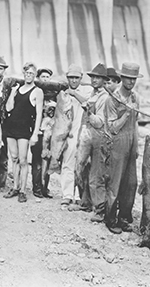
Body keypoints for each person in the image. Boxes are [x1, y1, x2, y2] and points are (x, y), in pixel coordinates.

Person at [104, 62, 142, 234]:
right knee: (116, 182)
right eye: (128, 78)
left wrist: (137, 145)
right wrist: (126, 112)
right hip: (118, 143)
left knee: (131, 183)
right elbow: (112, 128)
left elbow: (136, 123)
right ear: (122, 78)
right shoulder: (113, 99)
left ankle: (124, 218)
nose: (131, 82)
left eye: (134, 79)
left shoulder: (136, 97)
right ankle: (110, 219)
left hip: (132, 142)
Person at [3, 62, 44, 203]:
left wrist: (35, 134)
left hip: (24, 129)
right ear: (23, 74)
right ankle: (15, 187)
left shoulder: (37, 92)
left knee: (23, 160)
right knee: (13, 158)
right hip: (11, 127)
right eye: (27, 73)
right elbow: (8, 108)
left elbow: (39, 114)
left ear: (35, 75)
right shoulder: (18, 89)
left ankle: (22, 190)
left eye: (31, 73)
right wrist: (13, 92)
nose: (29, 75)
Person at [75, 63, 110, 220]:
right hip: (87, 135)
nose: (95, 80)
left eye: (98, 78)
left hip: (99, 138)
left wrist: (88, 112)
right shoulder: (93, 94)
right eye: (93, 77)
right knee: (82, 169)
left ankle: (100, 210)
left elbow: (100, 122)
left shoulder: (104, 97)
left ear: (104, 80)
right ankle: (85, 202)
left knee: (96, 174)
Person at [0, 56, 24, 195]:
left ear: (4, 70)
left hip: (4, 122)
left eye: (1, 68)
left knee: (2, 153)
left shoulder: (7, 86)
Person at [59, 64, 93, 209]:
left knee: (83, 165)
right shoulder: (63, 93)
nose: (73, 81)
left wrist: (75, 94)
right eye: (71, 78)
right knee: (67, 164)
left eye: (76, 78)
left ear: (81, 78)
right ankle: (67, 195)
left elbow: (88, 104)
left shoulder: (88, 90)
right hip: (68, 134)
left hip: (83, 134)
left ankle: (80, 195)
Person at [30, 68, 54, 198]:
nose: (45, 79)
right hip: (37, 132)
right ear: (38, 78)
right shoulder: (35, 93)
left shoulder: (55, 95)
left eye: (47, 77)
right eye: (43, 77)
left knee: (47, 160)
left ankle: (45, 187)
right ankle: (37, 187)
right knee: (37, 161)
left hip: (49, 132)